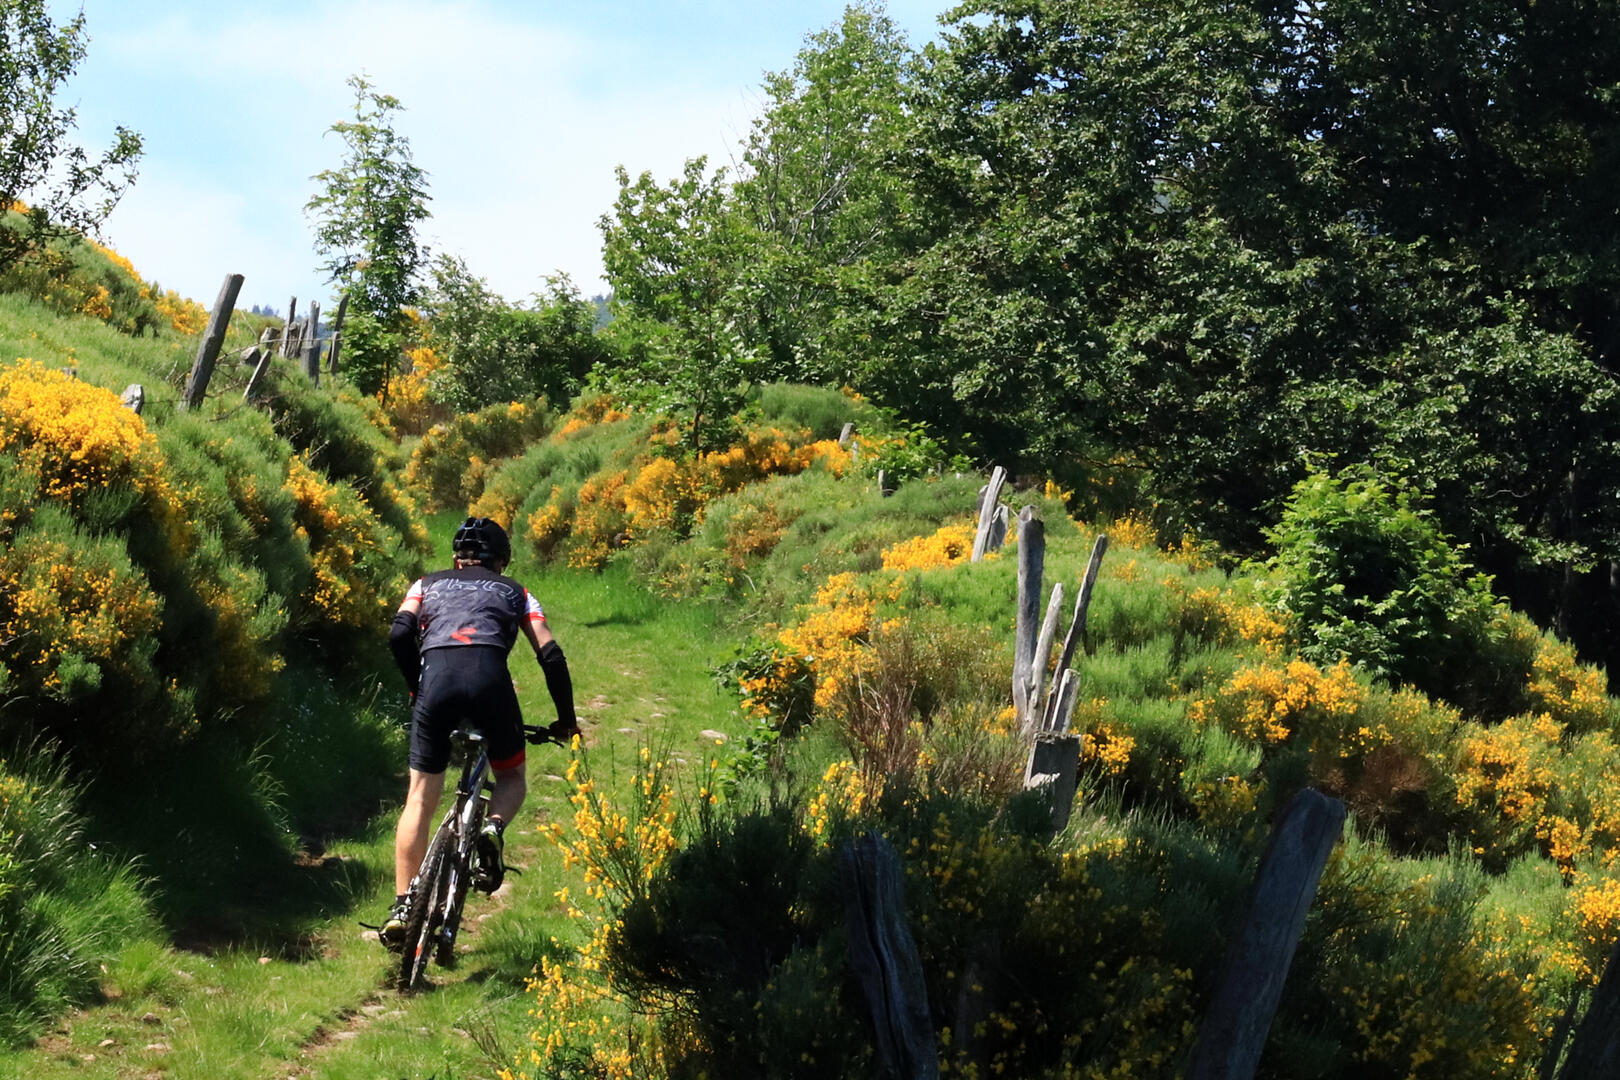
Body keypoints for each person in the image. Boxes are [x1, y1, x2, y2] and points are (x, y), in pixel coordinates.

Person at [379, 517, 580, 949]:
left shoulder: (425, 583)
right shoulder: (516, 591)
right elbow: (551, 654)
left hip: (437, 683)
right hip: (491, 684)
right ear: (501, 562)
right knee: (510, 777)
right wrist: (567, 720)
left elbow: (399, 634)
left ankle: (401, 906)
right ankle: (492, 827)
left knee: (419, 797)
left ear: (456, 558)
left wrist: (418, 687)